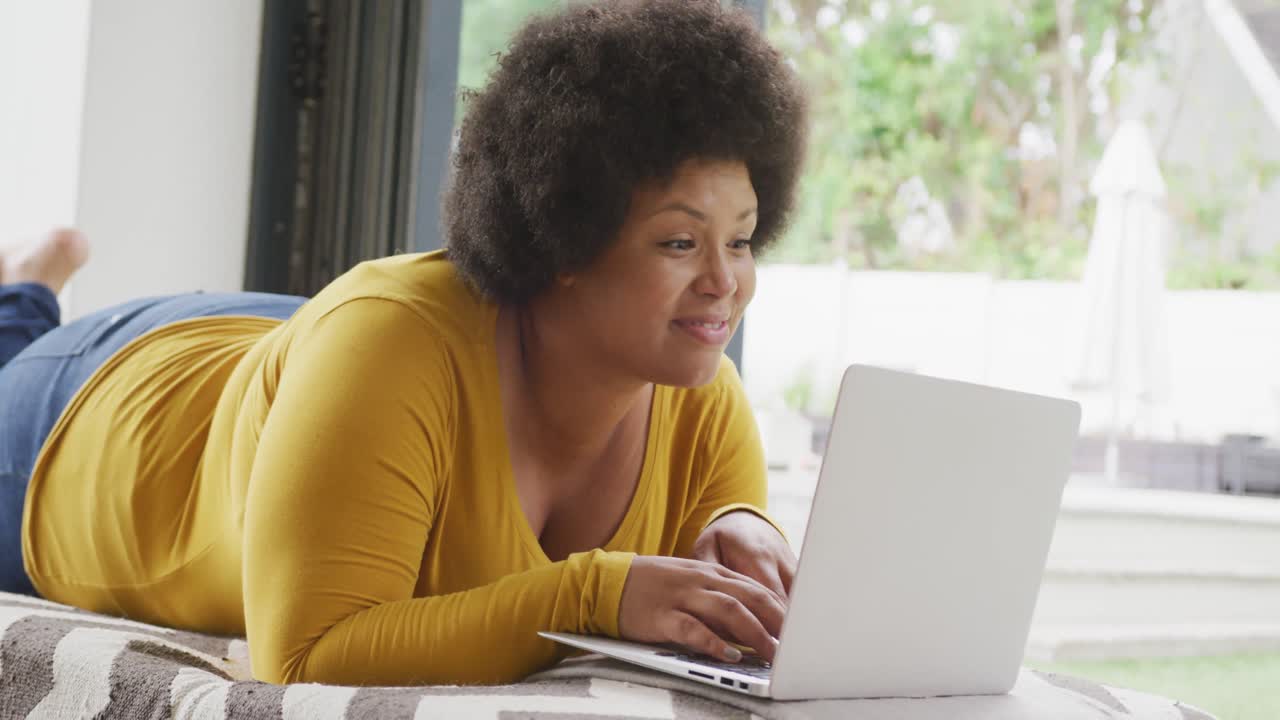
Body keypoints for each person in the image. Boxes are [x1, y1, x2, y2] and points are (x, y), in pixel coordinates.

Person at [0, 0, 808, 687]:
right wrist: (593, 594)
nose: (723, 284)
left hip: (318, 362)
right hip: (97, 414)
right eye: (678, 244)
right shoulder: (386, 343)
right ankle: (26, 291)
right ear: (565, 239)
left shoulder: (704, 400)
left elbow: (723, 609)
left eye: (739, 242)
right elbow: (305, 656)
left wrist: (758, 537)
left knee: (344, 346)